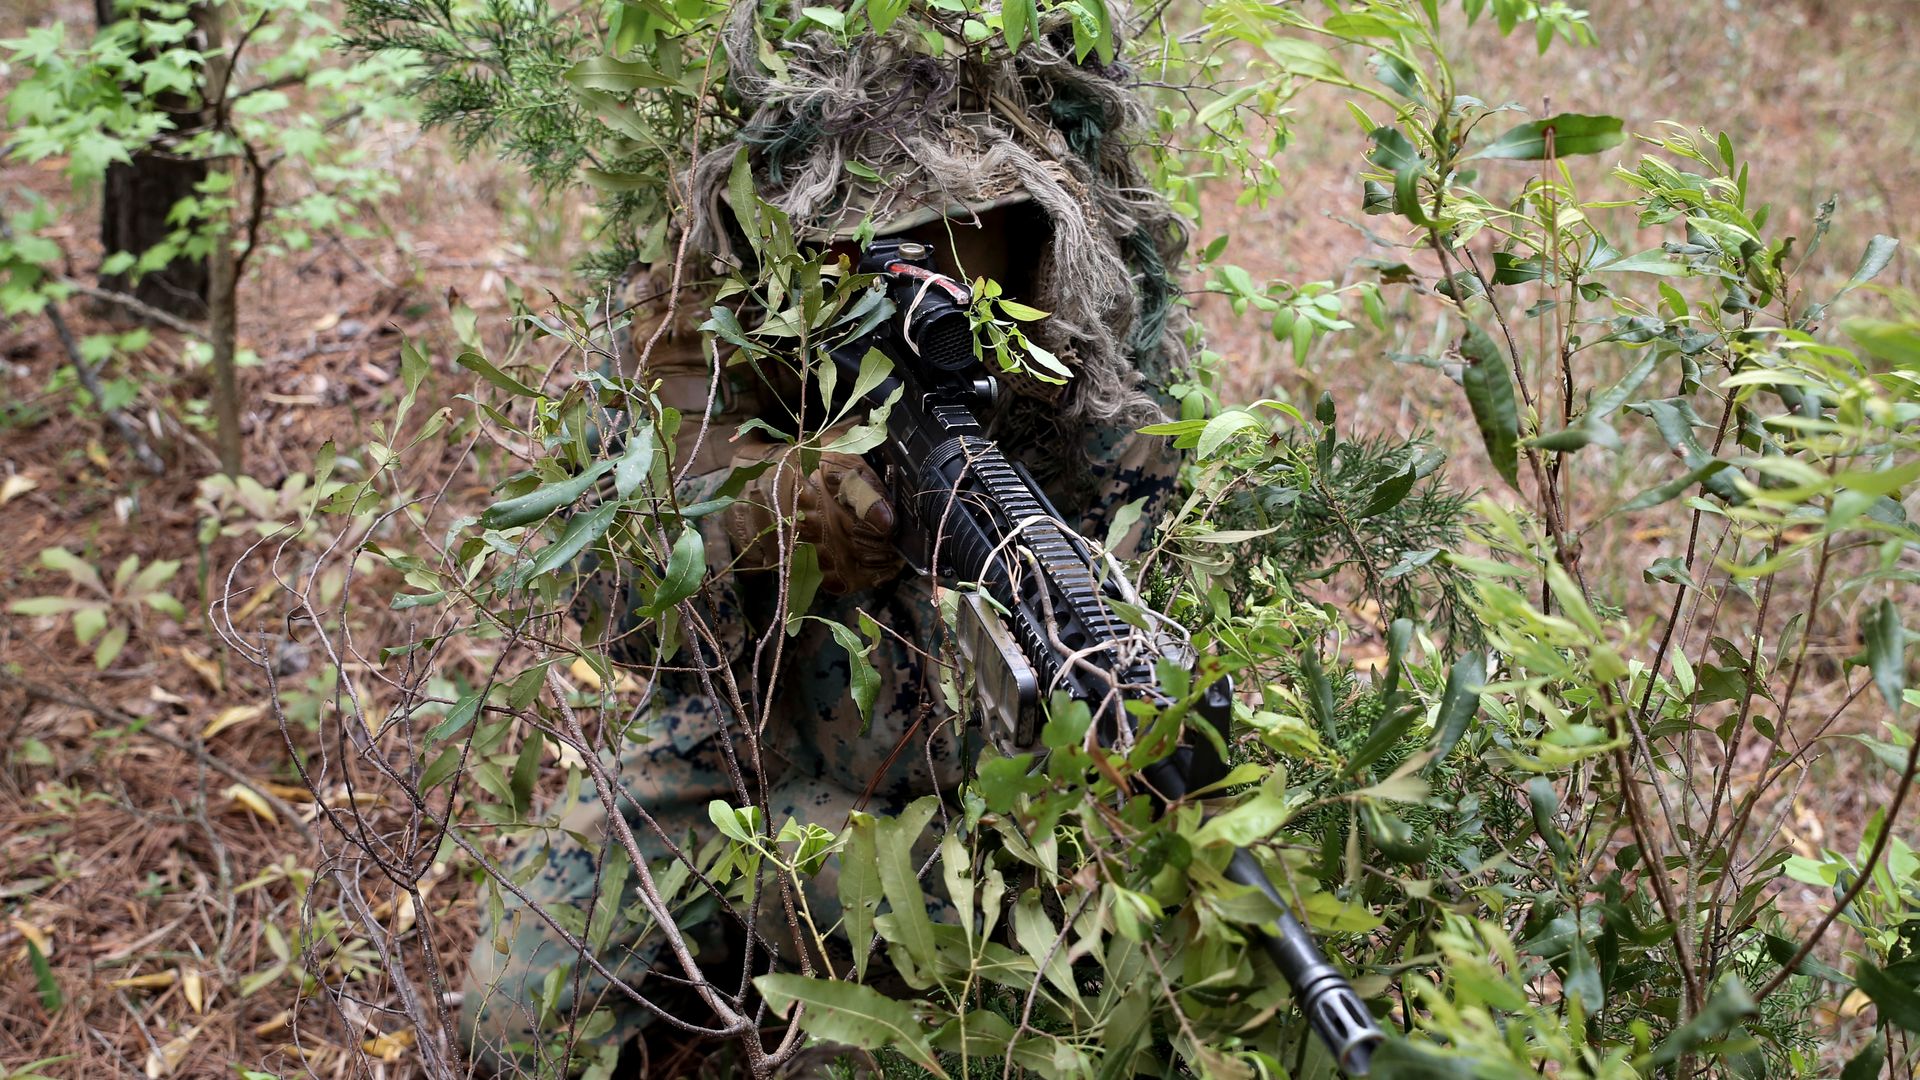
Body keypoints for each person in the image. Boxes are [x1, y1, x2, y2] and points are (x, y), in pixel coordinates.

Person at [457, 6, 1194, 1073]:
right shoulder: (715, 296)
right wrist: (765, 515)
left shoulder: (1101, 389)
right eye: (868, 226)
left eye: (958, 226)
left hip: (962, 826)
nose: (912, 272)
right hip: (735, 746)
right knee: (522, 1022)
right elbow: (609, 602)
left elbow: (1104, 732)